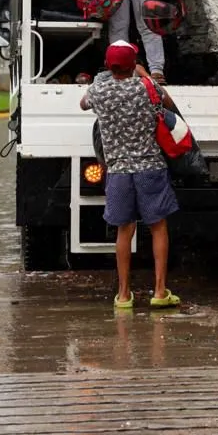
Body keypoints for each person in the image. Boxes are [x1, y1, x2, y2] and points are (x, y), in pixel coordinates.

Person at [80, 41, 180, 310]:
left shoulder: (99, 90)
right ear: (133, 63)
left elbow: (82, 104)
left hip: (118, 171)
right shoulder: (147, 88)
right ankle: (159, 292)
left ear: (109, 64)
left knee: (124, 230)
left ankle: (124, 295)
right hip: (150, 167)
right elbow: (170, 104)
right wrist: (144, 74)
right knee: (158, 226)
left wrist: (103, 78)